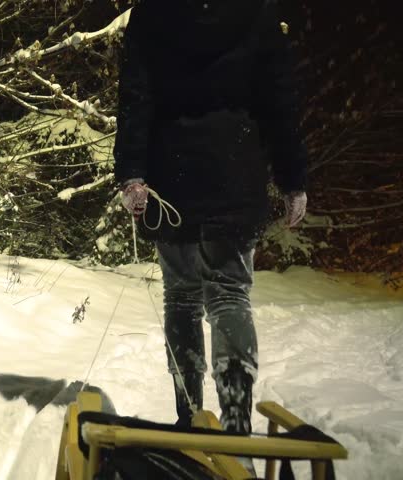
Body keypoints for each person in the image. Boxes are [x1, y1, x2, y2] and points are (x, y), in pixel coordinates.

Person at [113, 0, 308, 435]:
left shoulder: (153, 13)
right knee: (229, 295)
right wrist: (293, 178)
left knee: (182, 297)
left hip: (172, 169)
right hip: (234, 170)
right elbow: (279, 100)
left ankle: (189, 414)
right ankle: (236, 420)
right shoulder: (255, 11)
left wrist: (132, 172)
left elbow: (136, 94)